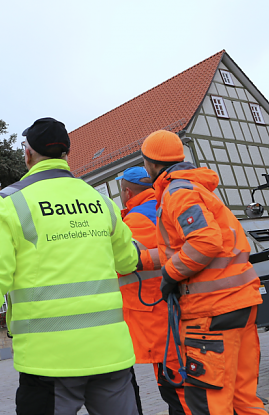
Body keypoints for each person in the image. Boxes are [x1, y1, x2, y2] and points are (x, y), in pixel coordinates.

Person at [0, 117, 140, 415]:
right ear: (67, 154)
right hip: (112, 354)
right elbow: (129, 260)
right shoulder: (100, 201)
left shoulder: (7, 204)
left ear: (27, 154)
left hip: (49, 361)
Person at [138, 130, 264, 415]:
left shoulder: (177, 193)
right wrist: (143, 259)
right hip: (239, 303)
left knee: (209, 404)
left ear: (152, 163)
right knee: (244, 401)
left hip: (210, 312)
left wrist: (170, 275)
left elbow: (205, 243)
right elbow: (188, 246)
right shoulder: (196, 189)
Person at [116, 166, 186, 415]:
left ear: (127, 192)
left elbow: (125, 263)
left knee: (175, 388)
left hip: (156, 315)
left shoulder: (135, 220)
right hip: (178, 307)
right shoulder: (167, 206)